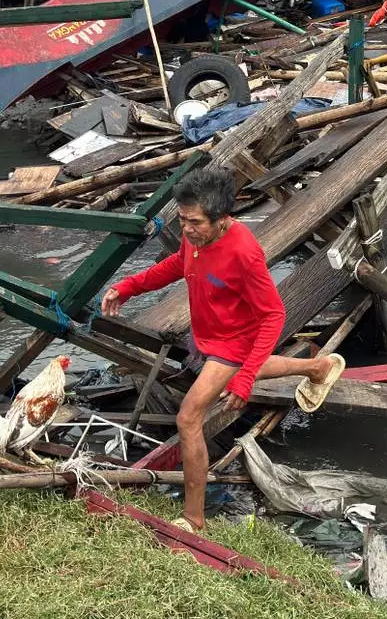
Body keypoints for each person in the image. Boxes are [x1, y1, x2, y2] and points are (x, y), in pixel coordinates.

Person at [101, 166, 345, 532]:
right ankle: (318, 368)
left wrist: (245, 378)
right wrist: (128, 287)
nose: (186, 229)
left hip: (234, 342)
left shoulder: (244, 253)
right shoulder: (195, 239)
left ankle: (193, 518)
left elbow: (274, 315)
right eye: (182, 219)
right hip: (208, 334)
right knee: (242, 370)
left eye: (195, 222)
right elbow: (175, 264)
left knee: (188, 417)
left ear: (222, 217)